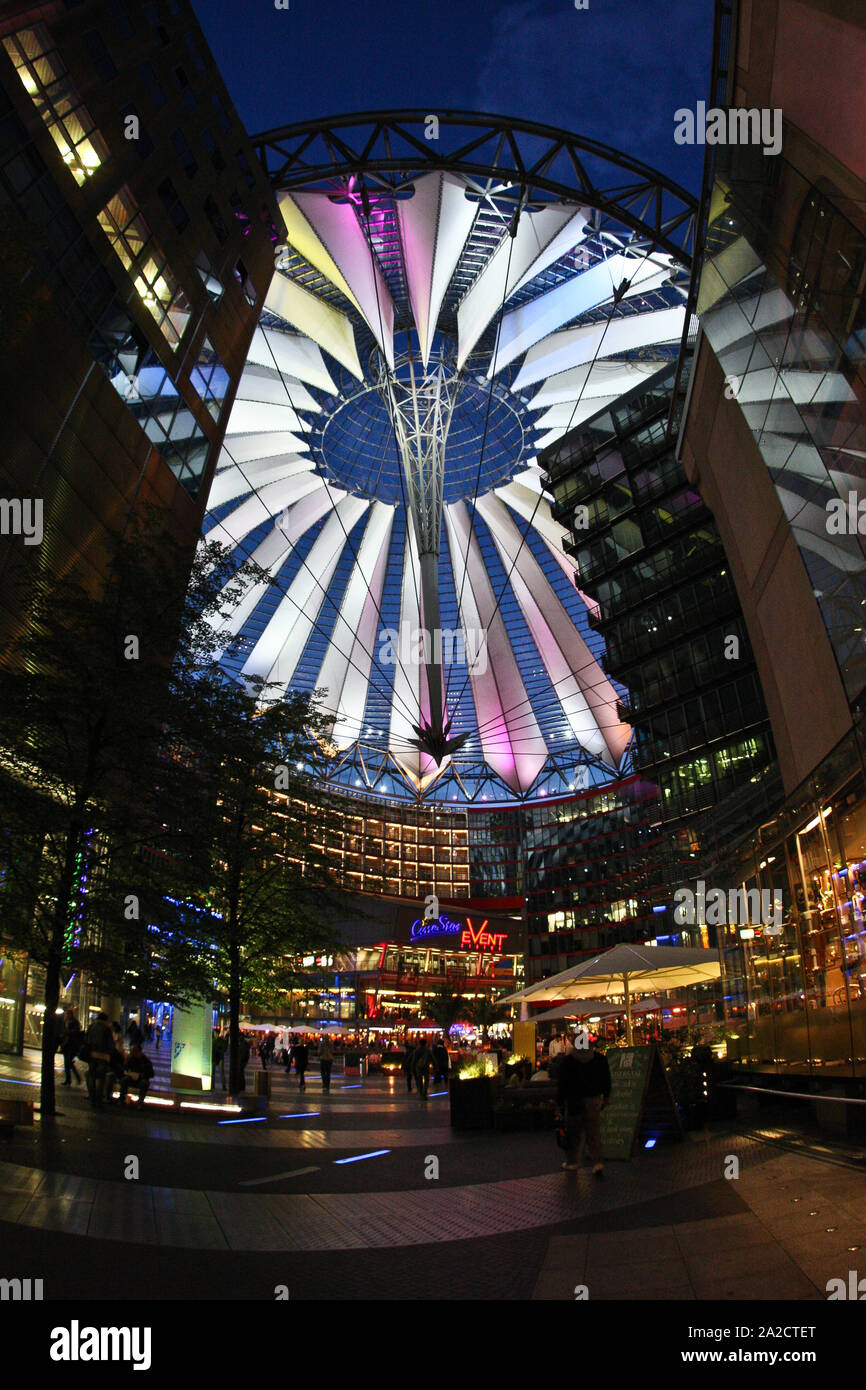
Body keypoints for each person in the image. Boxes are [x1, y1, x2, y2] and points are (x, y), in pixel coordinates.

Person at [555, 1035, 611, 1176]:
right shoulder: (599, 1059)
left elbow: (562, 1084)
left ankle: (572, 1162)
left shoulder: (568, 1062)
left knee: (574, 1132)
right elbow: (606, 1078)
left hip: (574, 1101)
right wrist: (606, 1096)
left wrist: (559, 1104)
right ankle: (597, 1162)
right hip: (593, 1099)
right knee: (593, 1132)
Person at [84, 1012, 114, 1109]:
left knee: (92, 1077)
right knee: (101, 1079)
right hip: (103, 1056)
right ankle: (98, 1100)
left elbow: (86, 1040)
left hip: (92, 1055)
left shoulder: (91, 1027)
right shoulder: (106, 1029)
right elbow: (110, 1044)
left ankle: (92, 1098)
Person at [119, 1043, 154, 1107]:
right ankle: (122, 1099)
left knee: (144, 1083)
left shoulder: (145, 1060)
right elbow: (124, 1068)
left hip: (141, 1079)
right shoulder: (131, 1059)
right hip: (131, 1078)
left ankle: (140, 1103)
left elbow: (151, 1073)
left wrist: (143, 1075)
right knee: (124, 1080)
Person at [59, 1007, 82, 1087]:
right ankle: (69, 1079)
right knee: (67, 1062)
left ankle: (75, 1078)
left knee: (68, 1061)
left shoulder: (74, 1022)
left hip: (71, 1044)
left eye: (69, 1014)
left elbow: (76, 1032)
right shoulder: (66, 1021)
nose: (67, 1015)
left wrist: (67, 1032)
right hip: (66, 1044)